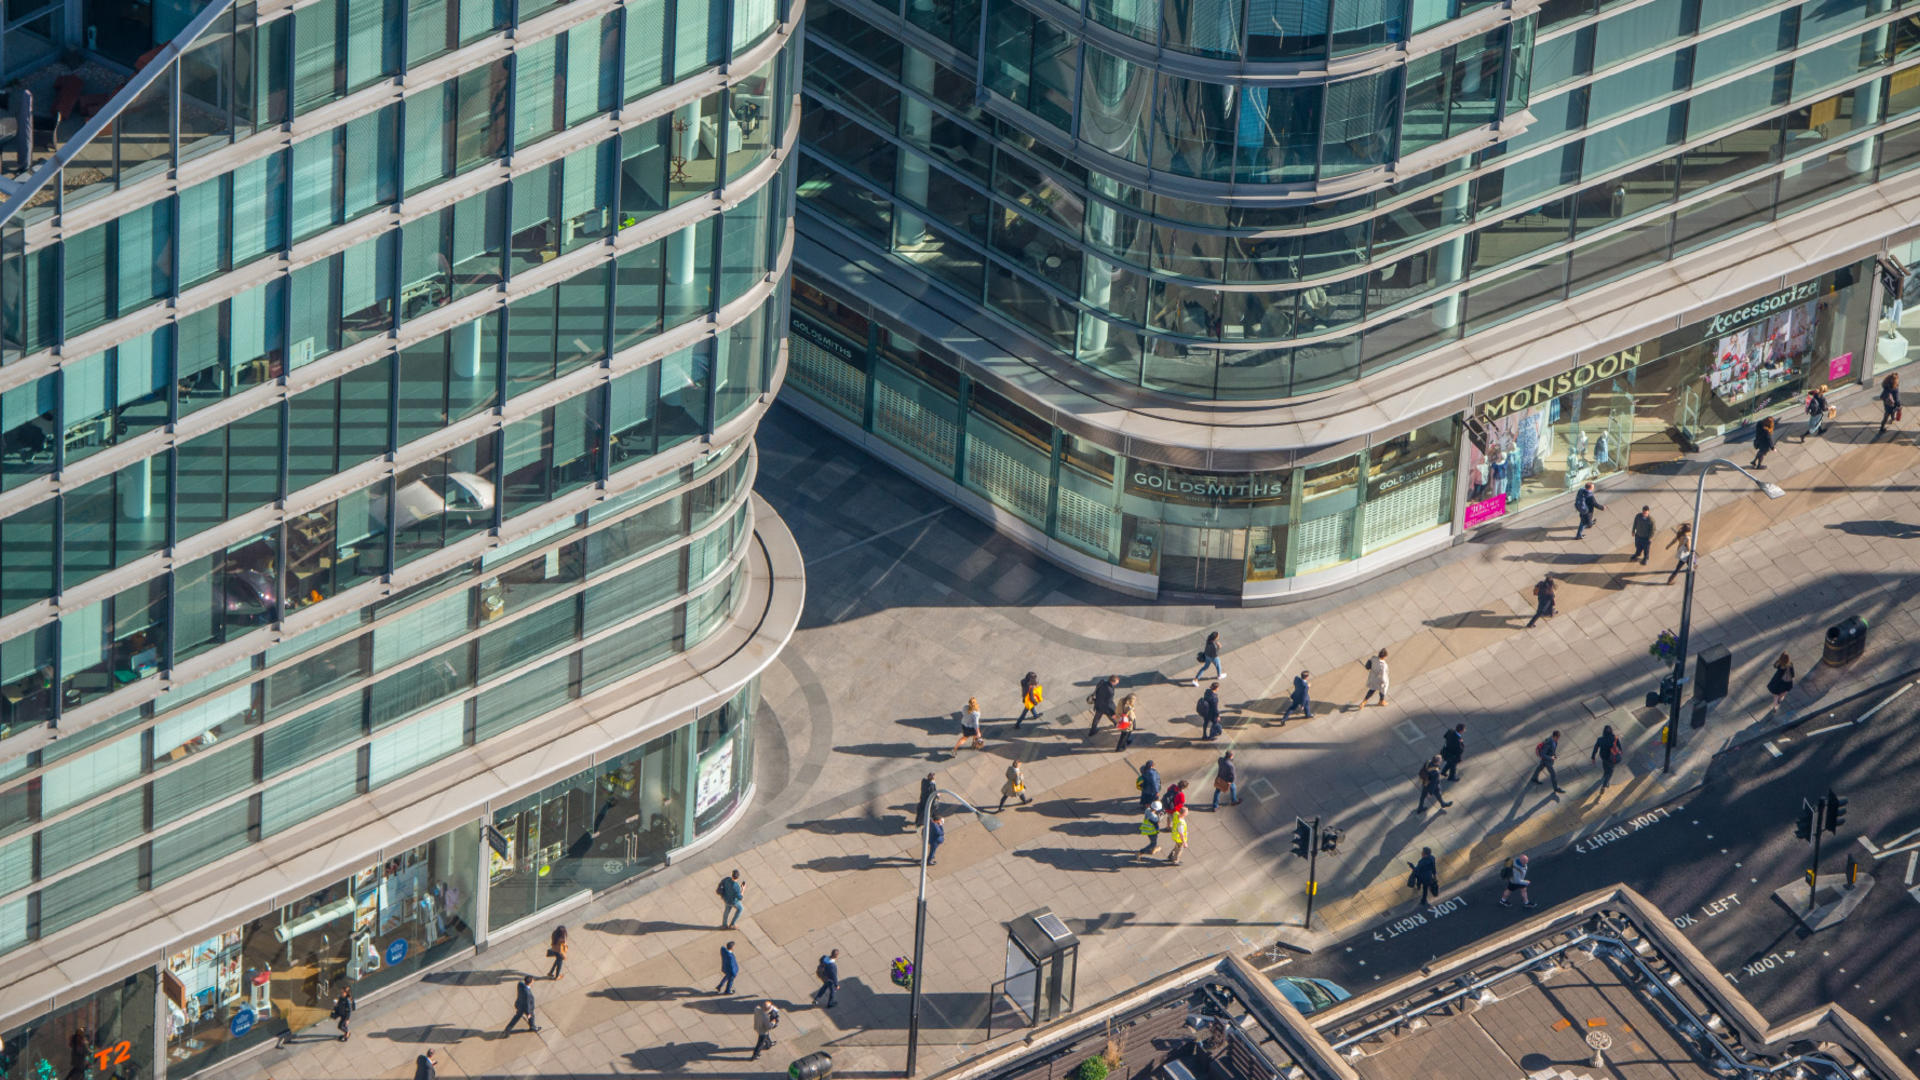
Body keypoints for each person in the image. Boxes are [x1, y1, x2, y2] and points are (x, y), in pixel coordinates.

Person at [1591, 724, 1622, 792]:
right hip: (1611, 758)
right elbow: (1619, 746)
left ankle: (1604, 774)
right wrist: (1620, 751)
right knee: (1610, 772)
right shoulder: (1614, 738)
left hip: (1604, 757)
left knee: (1605, 767)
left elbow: (1595, 749)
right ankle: (1604, 785)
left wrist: (1593, 757)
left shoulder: (1600, 740)